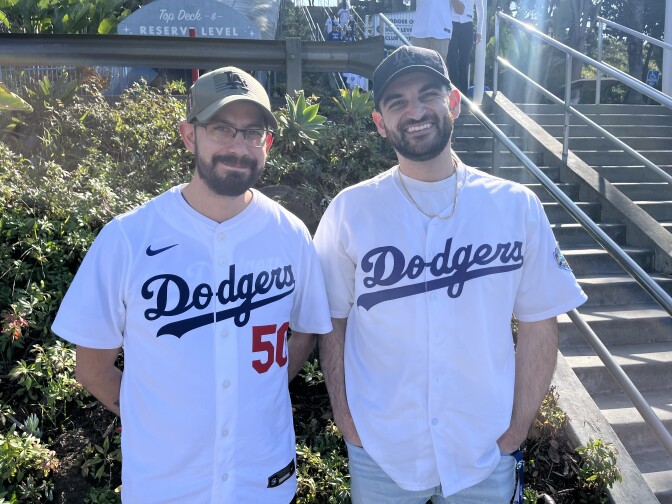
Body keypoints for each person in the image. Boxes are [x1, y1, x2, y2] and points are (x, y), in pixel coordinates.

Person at [314, 45, 587, 503]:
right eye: (397, 102)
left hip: (483, 450)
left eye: (428, 94)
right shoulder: (351, 210)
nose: (415, 110)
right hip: (382, 451)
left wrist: (517, 430)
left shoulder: (514, 205)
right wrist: (346, 418)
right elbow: (332, 319)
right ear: (380, 123)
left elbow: (541, 321)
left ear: (454, 102)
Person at [52, 67, 333, 503]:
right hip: (164, 486)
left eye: (252, 132)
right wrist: (156, 422)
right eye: (222, 128)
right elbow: (92, 368)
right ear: (189, 135)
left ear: (268, 144)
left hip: (262, 481)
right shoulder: (128, 238)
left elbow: (307, 328)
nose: (238, 146)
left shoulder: (291, 235)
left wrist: (264, 391)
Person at [448, 0, 485, 94]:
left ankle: (464, 95)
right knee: (452, 60)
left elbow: (480, 9)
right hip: (451, 24)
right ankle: (453, 93)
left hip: (468, 25)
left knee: (464, 62)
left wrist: (479, 31)